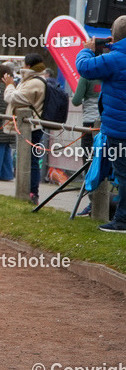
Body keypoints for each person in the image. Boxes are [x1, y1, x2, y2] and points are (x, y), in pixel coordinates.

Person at [77, 20, 126, 232]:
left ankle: (122, 221)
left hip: (119, 130)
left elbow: (85, 67)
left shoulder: (116, 58)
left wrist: (87, 50)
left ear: (114, 36)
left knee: (123, 176)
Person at [4, 53, 47, 205]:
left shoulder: (34, 82)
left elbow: (13, 98)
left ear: (28, 66)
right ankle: (27, 191)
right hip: (30, 126)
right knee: (27, 159)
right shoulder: (32, 80)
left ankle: (31, 192)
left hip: (32, 127)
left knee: (31, 160)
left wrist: (9, 86)